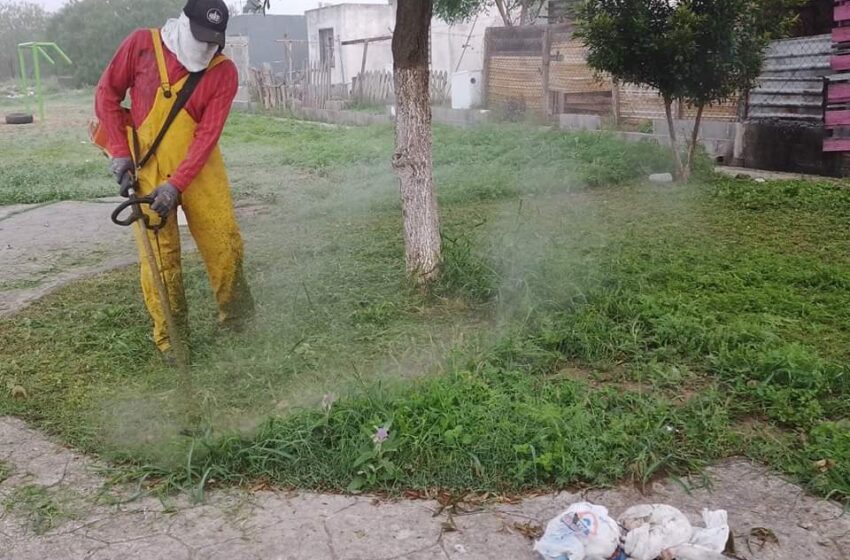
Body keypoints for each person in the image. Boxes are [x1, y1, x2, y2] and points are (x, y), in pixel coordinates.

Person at [95, 0, 253, 361]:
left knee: (224, 243)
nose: (207, 47)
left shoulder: (223, 72)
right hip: (147, 168)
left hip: (200, 168)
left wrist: (177, 183)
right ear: (183, 24)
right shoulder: (141, 46)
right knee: (160, 260)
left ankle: (238, 321)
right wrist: (120, 152)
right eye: (201, 38)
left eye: (214, 41)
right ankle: (172, 338)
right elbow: (106, 95)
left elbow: (207, 135)